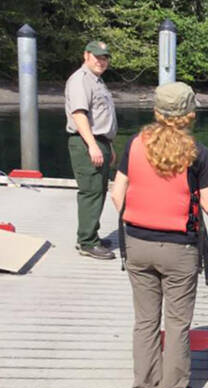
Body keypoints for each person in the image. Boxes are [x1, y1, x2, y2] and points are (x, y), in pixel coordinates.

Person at [110, 82, 208, 388]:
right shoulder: (199, 154)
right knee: (176, 323)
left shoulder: (133, 145)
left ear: (156, 113)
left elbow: (117, 196)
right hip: (179, 250)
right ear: (189, 115)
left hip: (137, 244)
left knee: (144, 321)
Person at [65, 40, 118, 260]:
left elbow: (101, 118)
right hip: (87, 142)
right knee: (90, 192)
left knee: (99, 190)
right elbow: (79, 115)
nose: (101, 61)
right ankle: (86, 242)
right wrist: (93, 145)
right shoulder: (80, 80)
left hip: (100, 142)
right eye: (97, 56)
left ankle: (91, 235)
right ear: (86, 55)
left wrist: (109, 146)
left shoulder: (97, 81)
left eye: (104, 57)